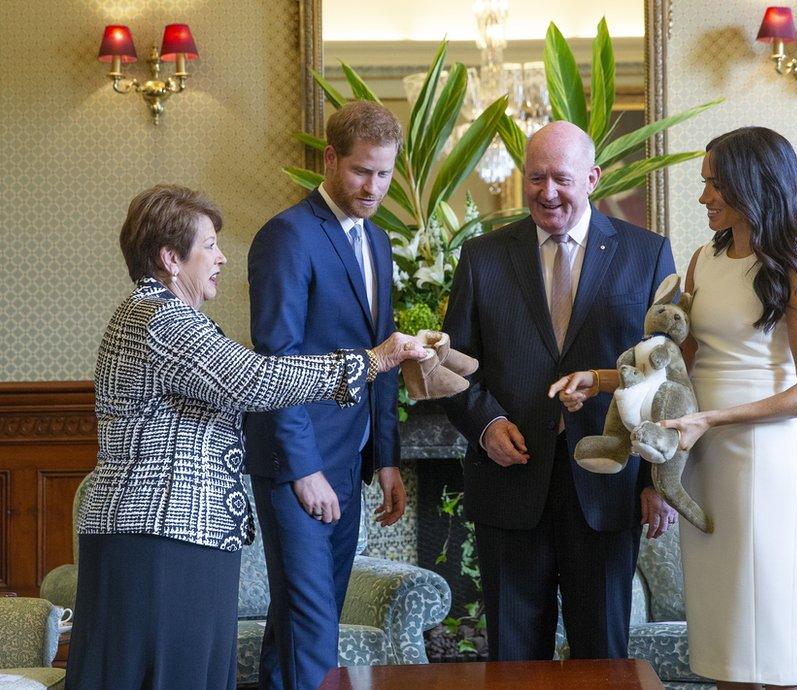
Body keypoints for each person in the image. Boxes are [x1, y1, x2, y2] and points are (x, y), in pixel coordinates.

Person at [65, 185, 423, 690]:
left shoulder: (163, 315)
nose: (221, 257)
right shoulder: (160, 319)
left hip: (167, 533)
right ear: (170, 257)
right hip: (163, 534)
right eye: (209, 245)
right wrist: (374, 360)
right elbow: (256, 381)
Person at [553, 126, 797, 689]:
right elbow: (676, 367)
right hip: (699, 453)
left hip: (764, 457)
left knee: (766, 633)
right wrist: (601, 378)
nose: (704, 196)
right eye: (704, 183)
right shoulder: (705, 258)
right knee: (723, 635)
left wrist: (710, 419)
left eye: (715, 184)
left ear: (753, 184)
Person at [439, 120, 678, 662]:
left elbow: (664, 375)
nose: (548, 193)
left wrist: (656, 479)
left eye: (562, 179)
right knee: (514, 655)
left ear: (592, 178)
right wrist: (484, 425)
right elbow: (451, 369)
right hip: (509, 483)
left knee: (603, 654)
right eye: (536, 178)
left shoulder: (647, 254)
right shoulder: (483, 257)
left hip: (609, 485)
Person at [244, 100, 406, 688]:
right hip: (300, 460)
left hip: (349, 458)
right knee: (313, 623)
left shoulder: (380, 241)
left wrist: (386, 460)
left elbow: (382, 354)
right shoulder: (287, 235)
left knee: (306, 618)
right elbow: (272, 362)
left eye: (385, 173)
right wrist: (302, 469)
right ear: (332, 159)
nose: (374, 187)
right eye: (363, 171)